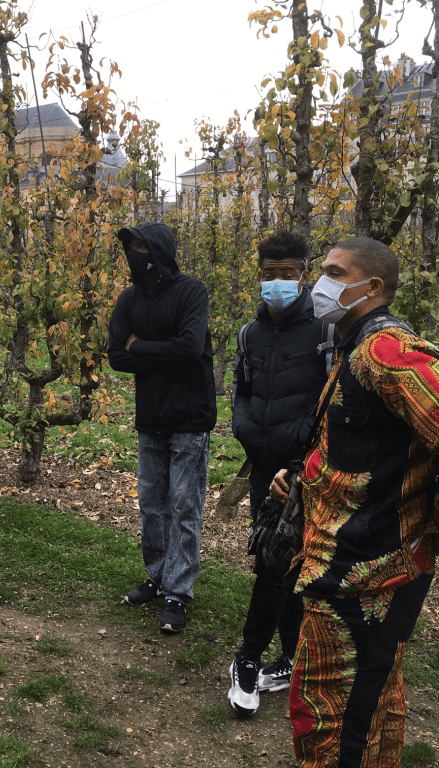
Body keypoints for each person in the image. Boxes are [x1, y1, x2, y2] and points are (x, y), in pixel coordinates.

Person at [270, 237, 439, 767]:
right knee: (369, 703)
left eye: (334, 273)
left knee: (332, 717)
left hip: (366, 570)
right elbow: (368, 445)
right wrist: (305, 477)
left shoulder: (385, 351)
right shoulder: (353, 346)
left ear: (372, 287)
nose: (319, 283)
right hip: (345, 562)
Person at [227, 231, 334, 716]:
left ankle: (248, 658)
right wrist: (245, 428)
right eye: (269, 274)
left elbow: (329, 402)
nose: (277, 283)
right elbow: (243, 389)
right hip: (263, 465)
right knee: (275, 561)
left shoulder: (325, 333)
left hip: (305, 469)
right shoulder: (249, 334)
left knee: (284, 564)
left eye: (287, 274)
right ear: (259, 275)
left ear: (303, 275)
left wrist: (299, 458)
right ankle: (289, 657)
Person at [108, 222, 216, 634]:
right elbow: (116, 356)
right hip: (150, 417)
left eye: (141, 245)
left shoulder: (191, 291)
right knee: (152, 505)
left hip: (189, 416)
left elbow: (190, 348)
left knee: (185, 507)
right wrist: (157, 353)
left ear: (159, 250)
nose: (134, 253)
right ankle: (157, 575)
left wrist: (139, 346)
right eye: (131, 246)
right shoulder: (129, 298)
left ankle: (179, 591)